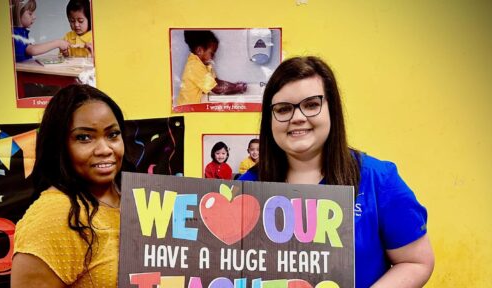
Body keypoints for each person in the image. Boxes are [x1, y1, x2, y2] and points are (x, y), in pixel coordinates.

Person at [238, 56, 434, 287]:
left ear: (332, 109)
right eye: (283, 109)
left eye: (311, 104)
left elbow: (416, 262)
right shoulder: (245, 188)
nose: (298, 117)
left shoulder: (378, 180)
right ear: (270, 120)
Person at [11, 84, 127, 287]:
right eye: (84, 137)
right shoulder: (53, 217)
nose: (104, 149)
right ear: (59, 145)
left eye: (112, 134)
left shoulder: (142, 199)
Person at [177, 30, 247, 105]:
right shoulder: (194, 66)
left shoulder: (205, 64)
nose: (214, 57)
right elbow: (216, 88)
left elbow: (217, 82)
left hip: (195, 106)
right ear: (199, 50)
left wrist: (234, 85)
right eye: (212, 53)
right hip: (188, 108)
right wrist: (236, 89)